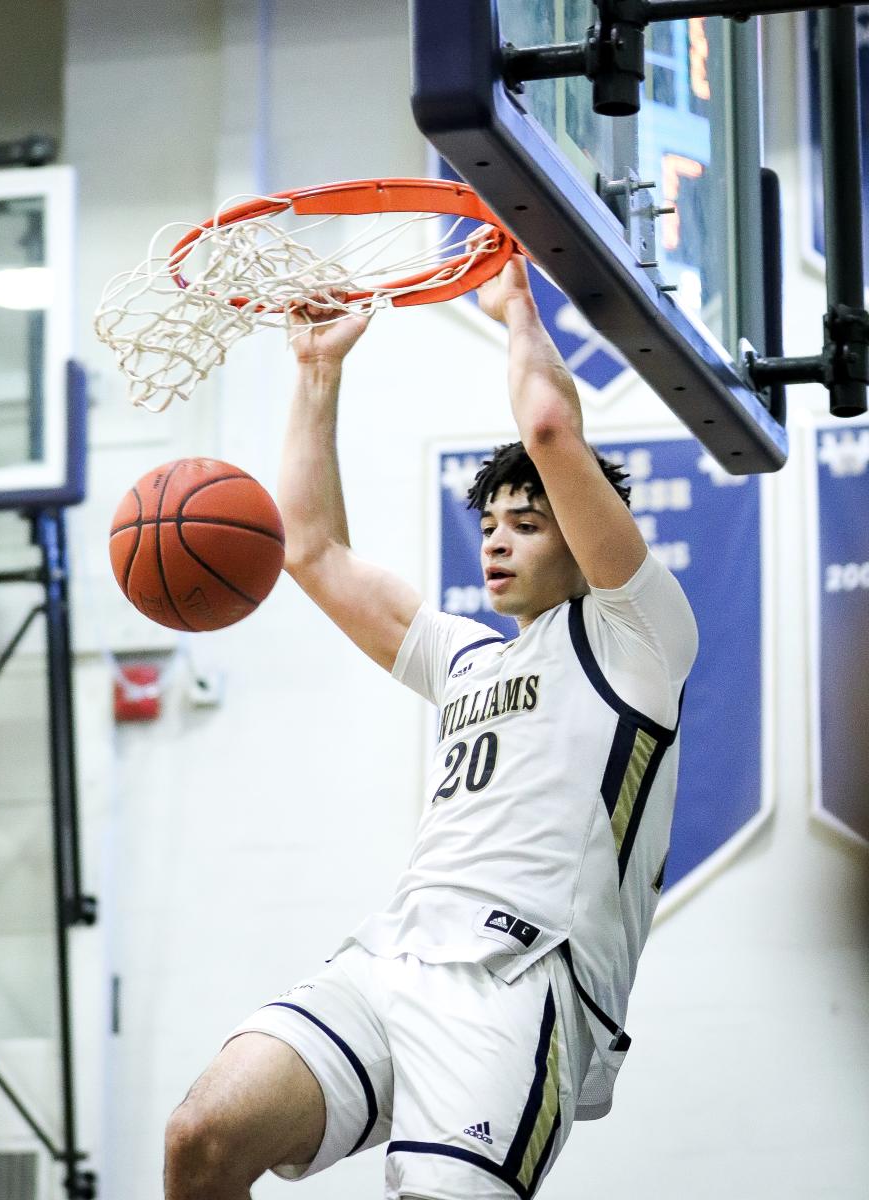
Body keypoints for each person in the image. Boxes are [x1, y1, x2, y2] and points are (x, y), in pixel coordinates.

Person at [163, 255, 699, 1200]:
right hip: (391, 963)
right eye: (488, 523)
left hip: (517, 989)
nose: (496, 539)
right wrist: (317, 370)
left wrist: (516, 310)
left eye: (527, 522)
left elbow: (546, 426)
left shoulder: (637, 642)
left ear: (584, 536)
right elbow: (314, 548)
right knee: (200, 1139)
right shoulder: (464, 659)